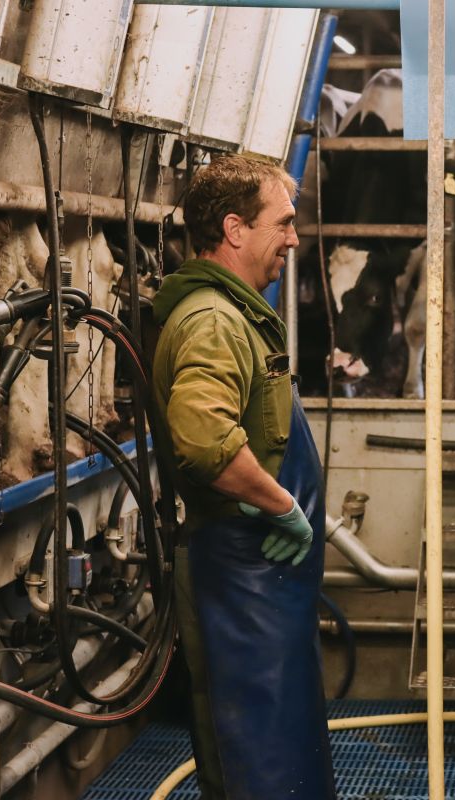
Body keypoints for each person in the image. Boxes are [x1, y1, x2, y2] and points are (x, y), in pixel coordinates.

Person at [150, 155, 336, 799]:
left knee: (280, 748)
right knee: (255, 760)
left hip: (263, 580)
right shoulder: (216, 320)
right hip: (239, 573)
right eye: (282, 223)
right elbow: (204, 439)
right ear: (234, 228)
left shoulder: (239, 313)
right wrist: (284, 505)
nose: (293, 238)